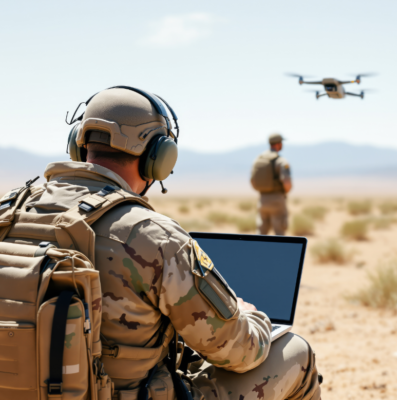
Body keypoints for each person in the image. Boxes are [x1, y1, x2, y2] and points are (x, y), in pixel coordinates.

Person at [24, 88, 321, 400]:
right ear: (158, 157)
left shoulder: (8, 212)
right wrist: (251, 317)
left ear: (78, 144)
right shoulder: (153, 237)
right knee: (296, 351)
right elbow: (239, 351)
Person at [251, 134, 292, 235]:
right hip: (277, 200)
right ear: (278, 144)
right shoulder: (280, 161)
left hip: (262, 200)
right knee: (279, 233)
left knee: (261, 233)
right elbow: (287, 182)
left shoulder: (259, 159)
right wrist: (282, 193)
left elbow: (252, 181)